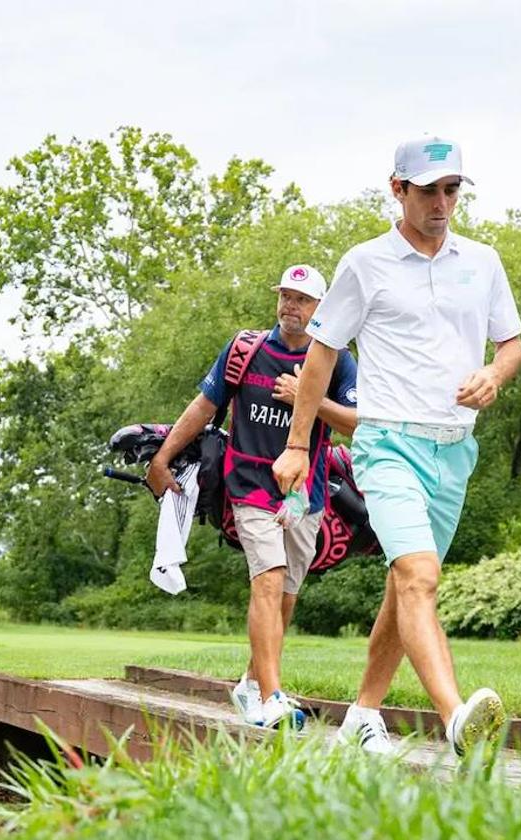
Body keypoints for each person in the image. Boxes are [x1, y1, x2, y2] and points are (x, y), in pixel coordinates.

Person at [273, 136, 521, 758]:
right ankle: (456, 715)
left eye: (452, 190)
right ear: (397, 189)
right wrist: (299, 445)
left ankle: (363, 711)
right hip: (386, 442)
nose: (442, 203)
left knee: (404, 584)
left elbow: (511, 344)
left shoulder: (483, 261)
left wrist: (494, 375)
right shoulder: (365, 263)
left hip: (454, 450)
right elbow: (322, 353)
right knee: (420, 575)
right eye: (429, 191)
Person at [147, 265, 359, 730]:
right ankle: (271, 696)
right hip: (249, 487)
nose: (291, 306)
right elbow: (203, 406)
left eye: (302, 299)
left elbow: (358, 423)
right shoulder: (246, 350)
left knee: (286, 593)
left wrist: (308, 397)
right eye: (285, 296)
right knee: (267, 578)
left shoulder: (337, 360)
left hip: (306, 495)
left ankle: (250, 682)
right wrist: (162, 459)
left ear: (321, 308)